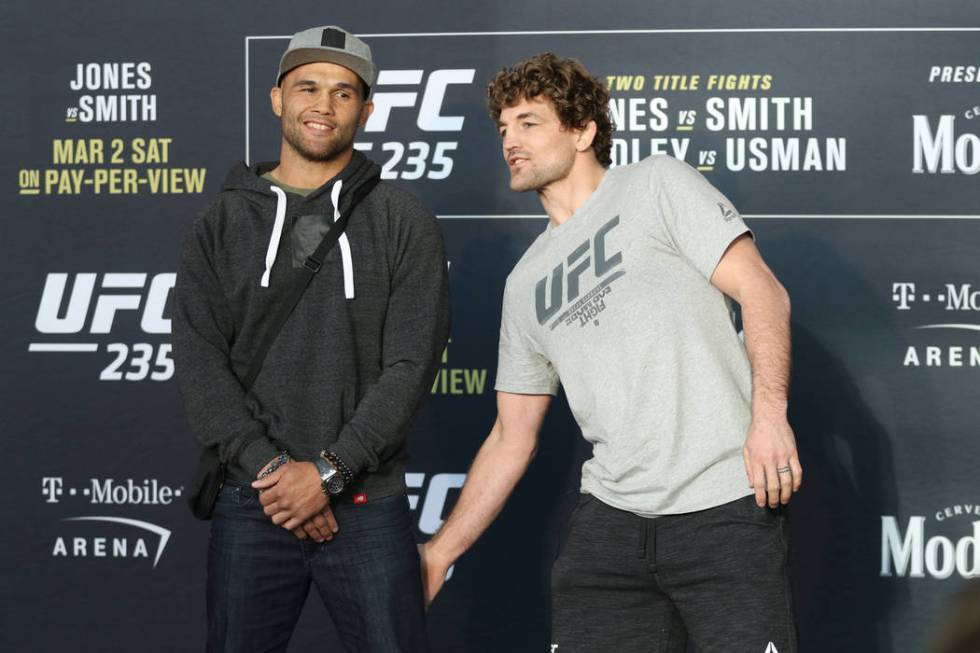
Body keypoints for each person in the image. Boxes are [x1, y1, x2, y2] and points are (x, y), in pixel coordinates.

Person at [419, 52, 801, 652]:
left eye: (529, 123)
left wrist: (769, 416)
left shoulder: (656, 183)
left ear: (583, 131)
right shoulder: (524, 283)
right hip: (610, 526)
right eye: (503, 128)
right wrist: (439, 552)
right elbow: (510, 436)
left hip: (722, 505)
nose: (510, 141)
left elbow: (763, 292)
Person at [173, 25, 449, 652]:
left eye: (344, 93)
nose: (323, 105)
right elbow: (199, 361)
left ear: (367, 110)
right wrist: (276, 474)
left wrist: (326, 471)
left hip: (365, 500)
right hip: (254, 501)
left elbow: (410, 364)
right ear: (277, 99)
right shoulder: (220, 223)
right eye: (308, 87)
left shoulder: (404, 221)